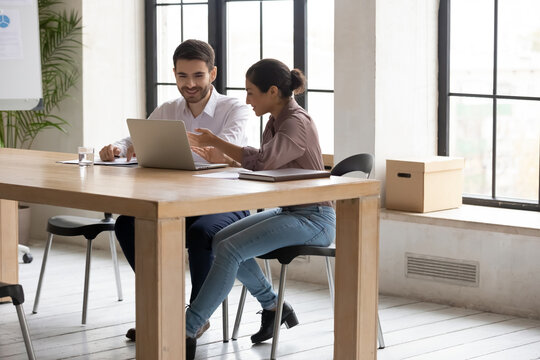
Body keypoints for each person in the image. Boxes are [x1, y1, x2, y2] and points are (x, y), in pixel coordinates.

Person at [98, 39, 251, 341]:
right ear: (174, 74)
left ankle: (195, 317)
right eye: (182, 76)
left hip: (226, 201)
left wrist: (178, 144)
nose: (190, 84)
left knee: (201, 233)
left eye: (197, 76)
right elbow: (134, 139)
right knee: (128, 224)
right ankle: (164, 309)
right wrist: (118, 146)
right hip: (179, 202)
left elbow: (225, 152)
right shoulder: (169, 108)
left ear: (213, 73)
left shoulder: (235, 109)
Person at [184, 58, 336, 359]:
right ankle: (274, 307)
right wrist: (227, 156)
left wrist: (218, 142)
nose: (247, 99)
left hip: (315, 218)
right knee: (220, 241)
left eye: (251, 92)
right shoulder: (276, 120)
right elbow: (269, 164)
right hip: (293, 211)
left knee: (230, 249)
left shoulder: (296, 122)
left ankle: (187, 329)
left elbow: (265, 161)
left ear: (273, 91)